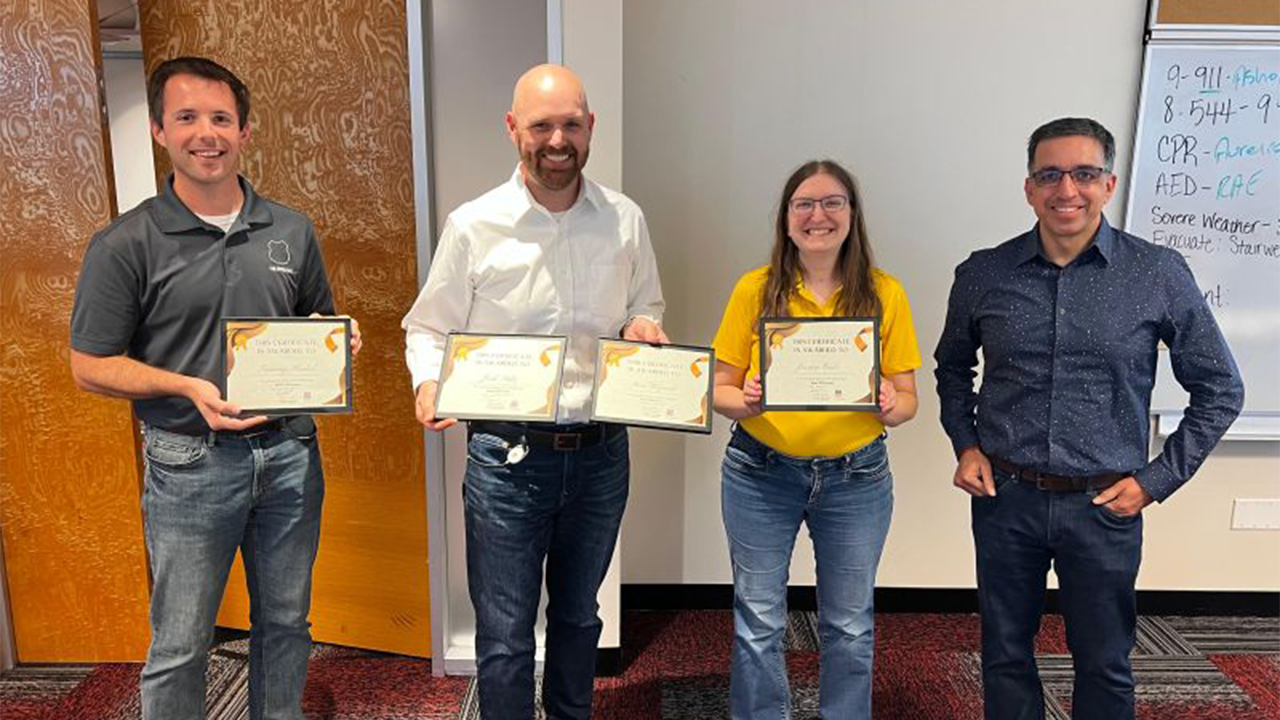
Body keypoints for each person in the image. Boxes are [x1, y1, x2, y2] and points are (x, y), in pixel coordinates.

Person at [69, 56, 359, 720]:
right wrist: (187, 386)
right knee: (181, 641)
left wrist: (334, 343)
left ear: (246, 130)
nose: (208, 133)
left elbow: (314, 318)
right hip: (188, 463)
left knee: (287, 623)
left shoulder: (290, 229)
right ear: (158, 130)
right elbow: (89, 363)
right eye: (188, 118)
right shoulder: (125, 243)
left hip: (288, 455)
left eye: (222, 118)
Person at [934, 117, 1244, 720]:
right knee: (1003, 653)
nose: (1066, 189)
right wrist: (965, 445)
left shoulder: (1156, 272)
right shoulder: (983, 274)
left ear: (1109, 183)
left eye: (1083, 173)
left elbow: (1221, 388)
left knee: (1104, 660)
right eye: (1049, 174)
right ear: (1029, 188)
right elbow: (951, 369)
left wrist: (1155, 482)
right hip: (1006, 500)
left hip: (1105, 505)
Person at [401, 64, 665, 720]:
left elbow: (646, 304)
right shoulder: (474, 225)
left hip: (602, 455)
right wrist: (429, 382)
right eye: (541, 124)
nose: (557, 139)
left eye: (571, 124)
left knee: (579, 617)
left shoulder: (625, 221)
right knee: (506, 633)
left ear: (590, 128)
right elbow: (428, 327)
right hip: (506, 460)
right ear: (513, 127)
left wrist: (642, 326)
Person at [711, 159, 920, 720]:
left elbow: (908, 400)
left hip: (856, 478)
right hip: (759, 473)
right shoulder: (755, 290)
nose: (817, 215)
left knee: (850, 624)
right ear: (785, 220)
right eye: (803, 204)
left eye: (832, 202)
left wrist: (888, 404)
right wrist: (747, 398)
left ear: (852, 215)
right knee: (758, 618)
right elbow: (717, 390)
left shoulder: (884, 294)